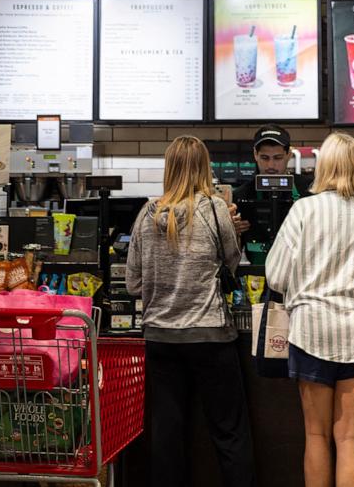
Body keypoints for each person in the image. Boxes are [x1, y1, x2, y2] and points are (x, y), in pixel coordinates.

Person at [126, 135, 254, 487]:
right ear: (205, 168)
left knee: (167, 432)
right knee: (229, 432)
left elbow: (133, 284)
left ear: (168, 168)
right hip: (210, 336)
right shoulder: (214, 209)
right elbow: (231, 265)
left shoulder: (146, 215)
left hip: (161, 338)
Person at [266, 132, 354, 487]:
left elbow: (276, 275)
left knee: (317, 436)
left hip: (311, 331)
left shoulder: (303, 209)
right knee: (350, 438)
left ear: (323, 167)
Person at [232, 124, 313, 237]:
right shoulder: (240, 195)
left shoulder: (309, 190)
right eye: (265, 158)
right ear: (255, 154)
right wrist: (231, 230)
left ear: (288, 154)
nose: (271, 165)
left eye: (277, 158)